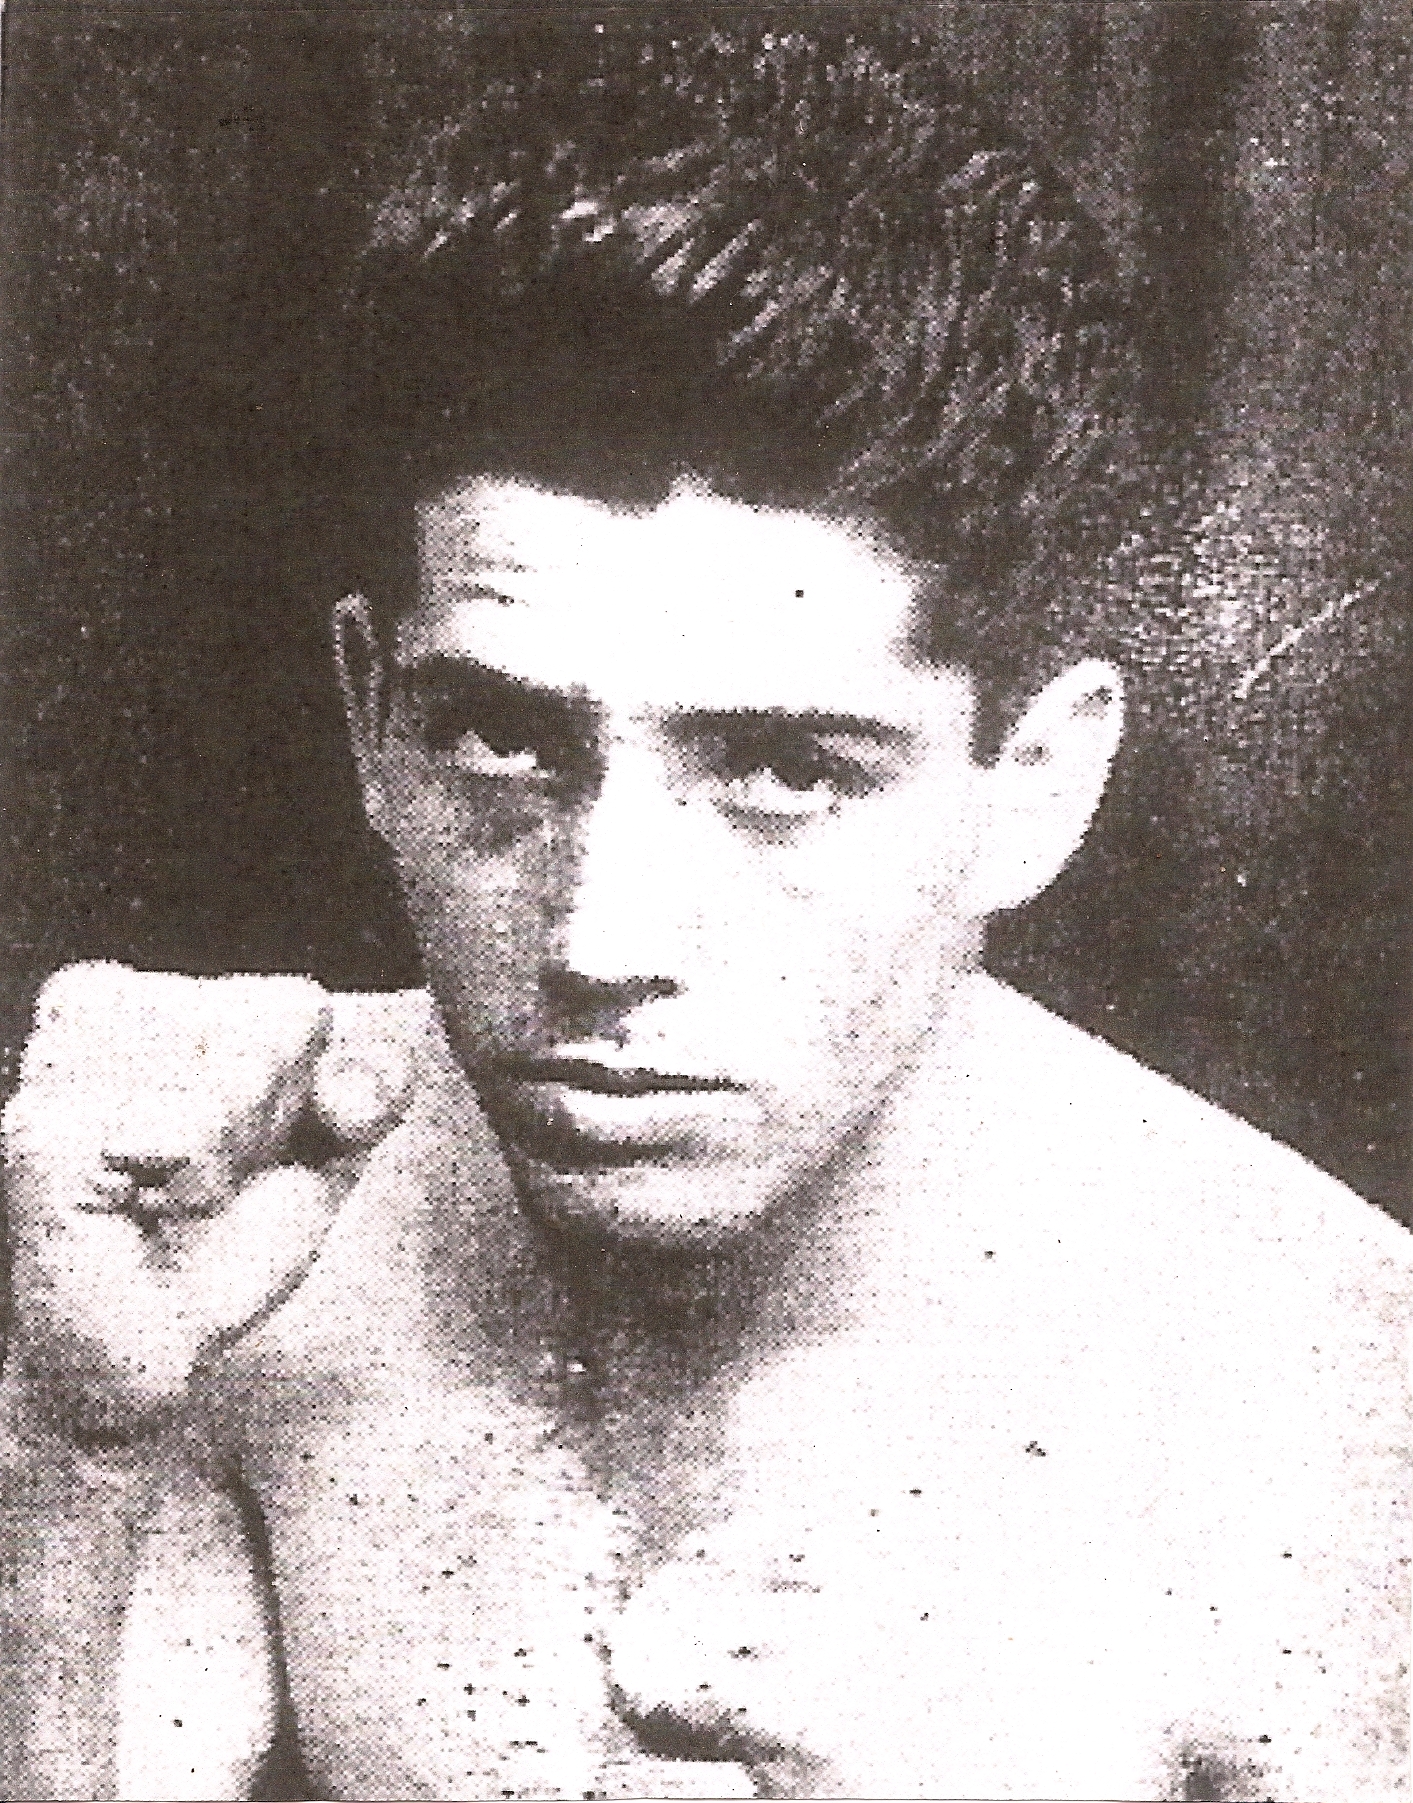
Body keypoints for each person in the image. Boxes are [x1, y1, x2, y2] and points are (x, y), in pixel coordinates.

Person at [2, 21, 1407, 1801]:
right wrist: (71, 1456)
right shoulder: (245, 1231)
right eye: (502, 739)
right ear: (368, 717)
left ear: (1036, 785)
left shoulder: (1330, 1427)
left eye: (786, 770)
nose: (600, 940)